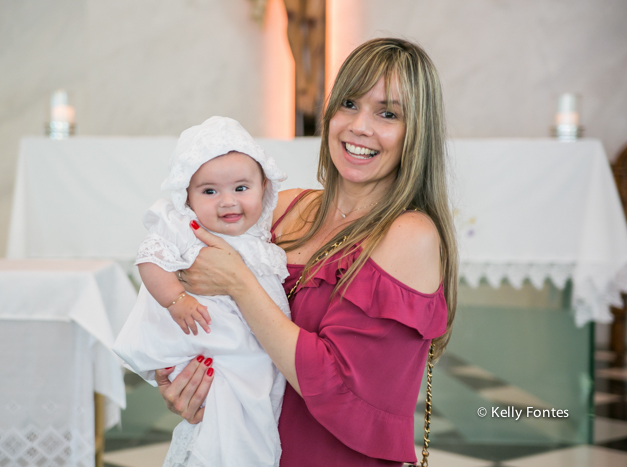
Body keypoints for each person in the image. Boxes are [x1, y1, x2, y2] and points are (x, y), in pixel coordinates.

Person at [152, 38, 458, 466]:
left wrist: (240, 283)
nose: (360, 127)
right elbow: (211, 318)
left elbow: (340, 386)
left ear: (416, 132)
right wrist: (189, 384)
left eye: (387, 113)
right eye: (349, 103)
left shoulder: (410, 235)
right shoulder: (281, 209)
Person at [113, 116, 291, 467]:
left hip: (253, 348)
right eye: (210, 191)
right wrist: (176, 298)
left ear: (263, 188)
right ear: (188, 197)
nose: (227, 202)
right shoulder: (183, 225)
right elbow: (150, 258)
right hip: (211, 341)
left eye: (241, 188)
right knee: (228, 420)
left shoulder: (259, 236)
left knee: (257, 409)